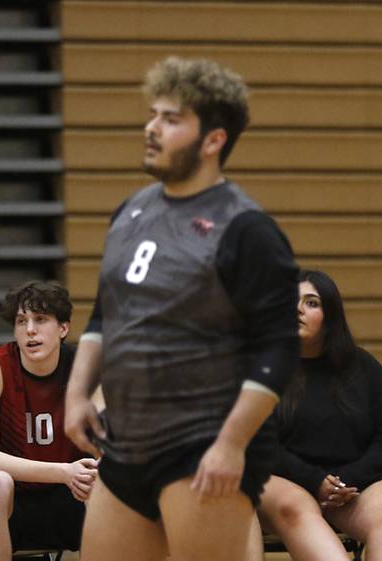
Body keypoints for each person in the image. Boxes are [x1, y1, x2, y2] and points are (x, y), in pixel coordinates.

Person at [63, 56, 300, 561]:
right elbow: (106, 313)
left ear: (213, 140)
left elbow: (277, 351)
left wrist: (232, 444)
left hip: (203, 443)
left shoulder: (247, 229)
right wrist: (78, 392)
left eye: (170, 119)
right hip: (126, 441)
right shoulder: (130, 210)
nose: (151, 128)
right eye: (153, 114)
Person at [258, 269, 382, 561]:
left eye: (311, 303)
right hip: (282, 481)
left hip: (350, 483)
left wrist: (344, 481)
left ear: (331, 316)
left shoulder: (363, 366)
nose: (297, 310)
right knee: (298, 506)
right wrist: (314, 480)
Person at [0, 280, 98, 560]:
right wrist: (64, 471)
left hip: (72, 495)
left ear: (63, 328)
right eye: (21, 321)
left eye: (40, 319)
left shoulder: (84, 368)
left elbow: (111, 441)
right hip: (15, 500)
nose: (29, 330)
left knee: (109, 480)